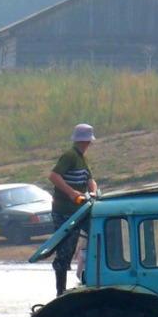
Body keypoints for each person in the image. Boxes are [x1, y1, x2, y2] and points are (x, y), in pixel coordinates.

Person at [48, 123, 98, 295]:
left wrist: (92, 191)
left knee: (97, 234)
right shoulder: (69, 156)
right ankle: (60, 291)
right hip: (64, 212)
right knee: (66, 249)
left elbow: (89, 178)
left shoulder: (82, 158)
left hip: (79, 210)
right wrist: (71, 192)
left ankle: (92, 276)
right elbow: (53, 176)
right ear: (86, 141)